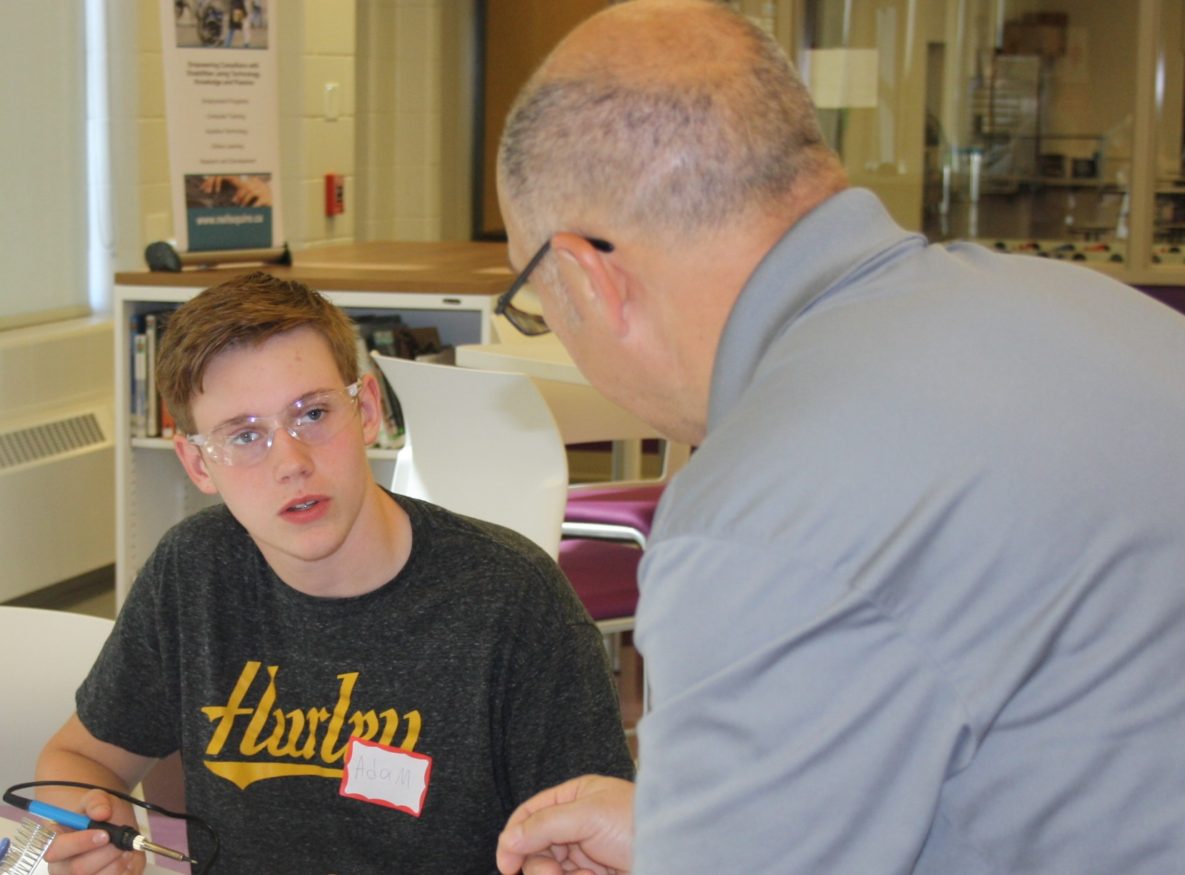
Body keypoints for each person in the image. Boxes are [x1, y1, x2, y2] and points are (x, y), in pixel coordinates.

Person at [493, 1, 1185, 873]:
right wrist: (696, 827)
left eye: (535, 302)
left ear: (589, 276)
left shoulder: (759, 519)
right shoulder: (1101, 316)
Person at [36, 272, 634, 873]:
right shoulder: (193, 572)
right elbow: (78, 758)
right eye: (244, 436)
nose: (291, 463)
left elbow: (591, 841)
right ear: (197, 462)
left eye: (313, 414)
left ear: (368, 411)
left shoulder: (511, 600)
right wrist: (87, 829)